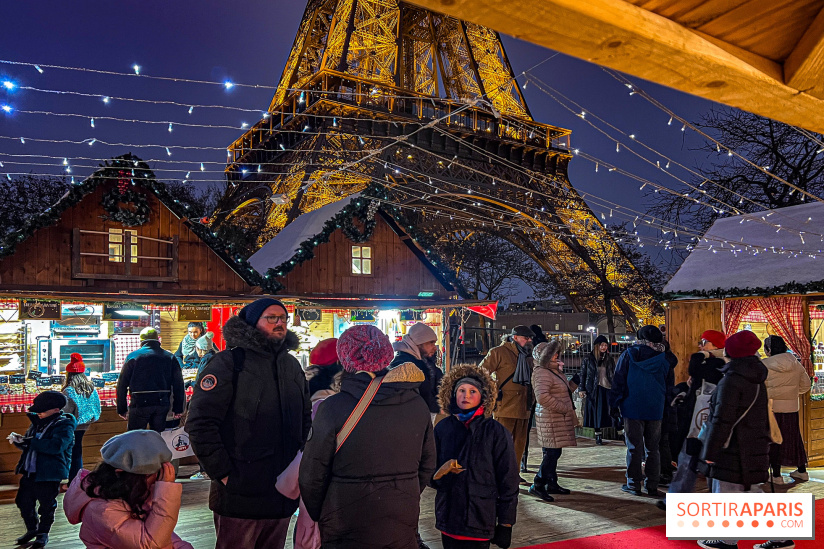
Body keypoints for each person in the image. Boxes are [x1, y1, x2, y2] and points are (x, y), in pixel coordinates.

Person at [187, 298, 311, 549]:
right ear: (253, 322)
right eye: (272, 318)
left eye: (283, 319)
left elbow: (305, 416)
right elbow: (200, 423)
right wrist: (222, 473)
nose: (280, 323)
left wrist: (299, 463)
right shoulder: (229, 363)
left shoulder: (290, 364)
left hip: (283, 490)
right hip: (239, 490)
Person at [299, 325, 436, 549]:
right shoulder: (416, 403)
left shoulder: (333, 407)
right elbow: (427, 464)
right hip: (401, 514)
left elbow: (312, 473)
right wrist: (401, 491)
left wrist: (323, 512)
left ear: (346, 360)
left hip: (345, 518)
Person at [696, 330, 771, 549]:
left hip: (733, 445)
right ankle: (780, 536)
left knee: (728, 491)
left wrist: (710, 452)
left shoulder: (732, 380)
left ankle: (726, 540)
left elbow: (721, 420)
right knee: (751, 492)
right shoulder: (757, 376)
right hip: (753, 443)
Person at [432, 363, 518, 549]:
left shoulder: (496, 432)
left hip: (479, 517)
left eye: (473, 391)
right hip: (449, 516)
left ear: (483, 397)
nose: (466, 396)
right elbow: (430, 471)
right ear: (453, 394)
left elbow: (508, 478)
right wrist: (439, 474)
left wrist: (505, 522)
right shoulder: (443, 428)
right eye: (461, 390)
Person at [63, 430, 193, 549]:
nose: (157, 481)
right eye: (151, 475)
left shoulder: (132, 490)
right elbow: (150, 543)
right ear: (121, 473)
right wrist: (166, 493)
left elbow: (164, 532)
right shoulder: (101, 510)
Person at [658, 330, 727, 511]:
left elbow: (694, 368)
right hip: (700, 419)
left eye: (704, 341)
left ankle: (677, 500)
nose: (700, 345)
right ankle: (676, 499)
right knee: (692, 461)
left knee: (693, 461)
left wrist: (701, 355)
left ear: (715, 344)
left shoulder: (718, 362)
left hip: (701, 421)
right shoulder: (719, 363)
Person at [290, 338, 344, 549]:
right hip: (327, 472)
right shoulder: (328, 399)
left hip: (306, 469)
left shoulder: (302, 385)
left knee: (308, 518)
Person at [609, 325, 670, 497]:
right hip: (655, 408)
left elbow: (618, 381)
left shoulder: (629, 355)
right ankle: (652, 484)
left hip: (632, 407)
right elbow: (668, 385)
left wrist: (614, 404)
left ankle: (633, 483)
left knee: (634, 448)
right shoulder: (664, 358)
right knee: (653, 448)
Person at [10, 390, 76, 548]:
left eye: (42, 411)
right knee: (23, 501)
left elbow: (56, 446)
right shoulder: (37, 422)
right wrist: (21, 441)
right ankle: (32, 529)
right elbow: (31, 444)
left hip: (49, 473)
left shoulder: (64, 425)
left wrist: (30, 442)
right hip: (30, 471)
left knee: (46, 506)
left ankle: (42, 534)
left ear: (55, 410)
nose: (37, 413)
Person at [480, 325, 534, 484]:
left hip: (524, 406)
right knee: (502, 445)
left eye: (530, 338)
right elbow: (481, 372)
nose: (529, 340)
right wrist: (494, 391)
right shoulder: (498, 352)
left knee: (519, 443)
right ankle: (497, 476)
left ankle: (513, 475)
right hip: (506, 406)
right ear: (515, 337)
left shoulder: (527, 355)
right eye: (526, 337)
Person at [529, 340, 577, 501]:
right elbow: (542, 396)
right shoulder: (542, 372)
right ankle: (538, 484)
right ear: (545, 356)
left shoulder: (553, 371)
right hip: (550, 417)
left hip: (555, 417)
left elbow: (561, 391)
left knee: (553, 451)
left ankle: (551, 482)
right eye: (553, 353)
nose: (557, 355)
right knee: (552, 452)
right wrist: (564, 408)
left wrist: (574, 383)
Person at [116, 327, 185, 433]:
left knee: (135, 439)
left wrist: (122, 408)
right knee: (158, 438)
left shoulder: (133, 357)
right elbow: (178, 384)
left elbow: (122, 385)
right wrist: (178, 408)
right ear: (158, 339)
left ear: (141, 340)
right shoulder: (170, 357)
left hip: (139, 404)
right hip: (162, 404)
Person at [763, 335, 811, 484]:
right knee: (794, 439)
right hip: (792, 407)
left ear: (769, 349)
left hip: (771, 408)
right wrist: (792, 394)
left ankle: (776, 476)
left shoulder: (763, 365)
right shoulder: (794, 362)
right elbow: (806, 384)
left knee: (774, 440)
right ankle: (802, 471)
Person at [61, 353, 101, 483]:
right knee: (76, 449)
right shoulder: (91, 388)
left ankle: (73, 481)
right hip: (86, 423)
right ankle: (75, 479)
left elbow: (66, 411)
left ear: (69, 374)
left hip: (72, 424)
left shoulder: (69, 390)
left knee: (73, 451)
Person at [390, 322, 443, 415]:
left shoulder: (425, 362)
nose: (435, 347)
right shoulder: (403, 365)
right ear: (419, 343)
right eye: (431, 343)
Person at [579, 335, 615, 445]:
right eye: (602, 345)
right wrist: (582, 389)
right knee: (595, 413)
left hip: (606, 387)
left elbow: (613, 373)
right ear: (597, 346)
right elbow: (583, 374)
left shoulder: (609, 359)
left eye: (605, 345)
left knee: (608, 412)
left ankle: (618, 431)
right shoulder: (588, 358)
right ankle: (597, 435)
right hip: (593, 389)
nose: (604, 347)